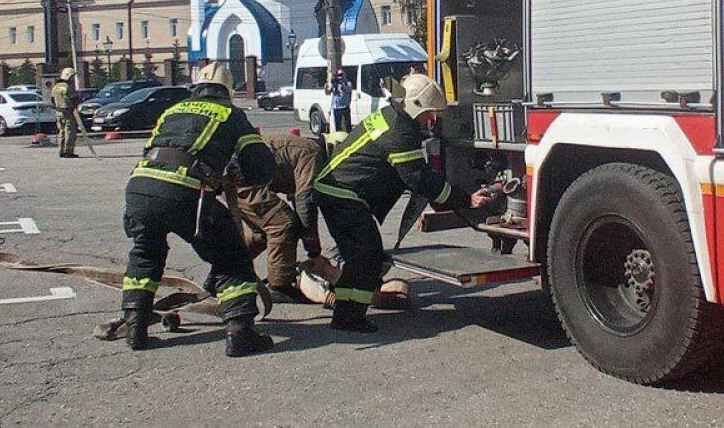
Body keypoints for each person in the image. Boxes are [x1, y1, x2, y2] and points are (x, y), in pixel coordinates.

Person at [312, 73, 495, 333]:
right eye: (430, 114)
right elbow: (418, 179)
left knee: (359, 257)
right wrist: (465, 199)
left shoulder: (391, 116)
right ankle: (349, 317)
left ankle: (346, 312)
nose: (432, 121)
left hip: (335, 190)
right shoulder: (400, 131)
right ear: (416, 105)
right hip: (343, 194)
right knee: (368, 255)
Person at [120, 62, 277, 356]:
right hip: (184, 192)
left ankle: (135, 327)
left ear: (197, 87)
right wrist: (245, 175)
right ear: (227, 91)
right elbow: (259, 164)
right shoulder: (230, 113)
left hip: (139, 188)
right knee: (232, 256)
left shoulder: (173, 110)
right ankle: (241, 332)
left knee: (145, 254)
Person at [234, 131, 326, 303]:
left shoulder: (303, 148)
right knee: (283, 225)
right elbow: (305, 202)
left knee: (263, 233)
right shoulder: (313, 153)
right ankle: (279, 286)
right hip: (242, 179)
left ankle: (225, 271)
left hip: (238, 176)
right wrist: (314, 251)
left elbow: (297, 197)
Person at [50, 69, 79, 158]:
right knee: (70, 132)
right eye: (72, 77)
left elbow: (52, 100)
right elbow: (74, 99)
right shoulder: (68, 87)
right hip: (68, 113)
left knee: (61, 132)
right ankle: (68, 152)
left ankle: (61, 151)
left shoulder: (56, 87)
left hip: (58, 112)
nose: (73, 79)